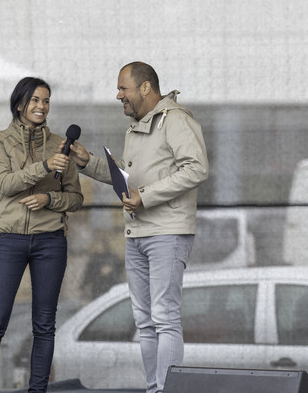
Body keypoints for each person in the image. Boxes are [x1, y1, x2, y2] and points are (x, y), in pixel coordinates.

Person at [68, 62, 208, 393]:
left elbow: (197, 168)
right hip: (137, 233)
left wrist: (145, 197)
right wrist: (89, 163)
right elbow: (128, 179)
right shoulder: (136, 126)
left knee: (164, 318)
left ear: (145, 87)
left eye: (123, 88)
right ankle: (153, 388)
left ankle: (165, 390)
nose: (118, 95)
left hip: (167, 231)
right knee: (145, 322)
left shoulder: (175, 120)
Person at [0, 77, 84, 393]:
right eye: (35, 100)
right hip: (9, 240)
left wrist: (49, 199)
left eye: (46, 101)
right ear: (20, 103)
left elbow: (76, 198)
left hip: (50, 241)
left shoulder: (61, 144)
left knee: (44, 325)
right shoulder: (0, 140)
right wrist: (46, 166)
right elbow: (7, 184)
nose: (41, 106)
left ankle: (38, 391)